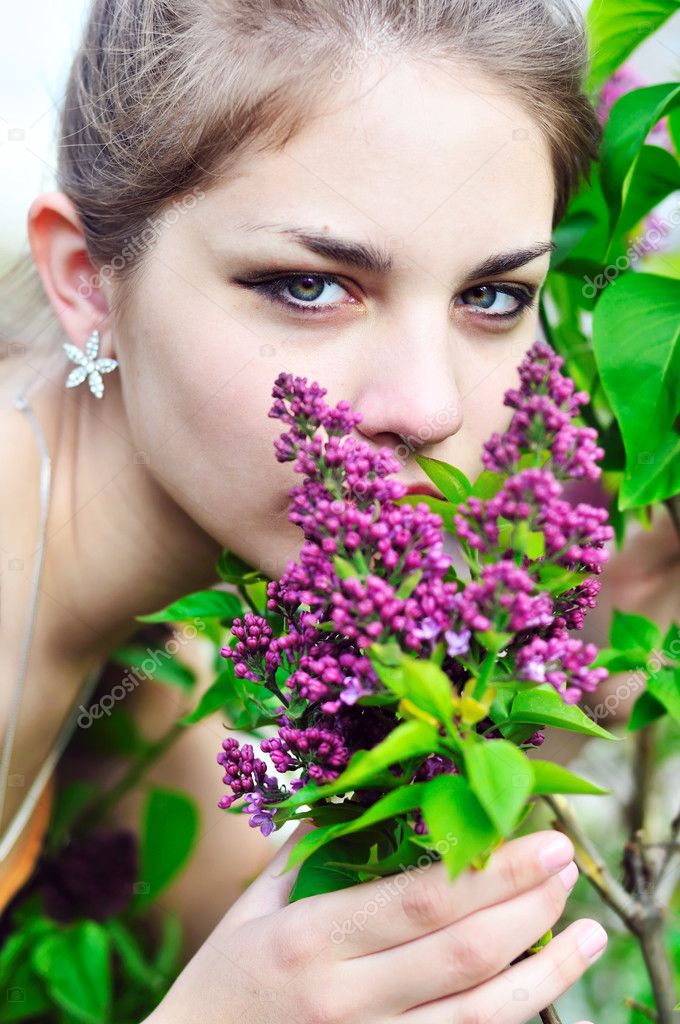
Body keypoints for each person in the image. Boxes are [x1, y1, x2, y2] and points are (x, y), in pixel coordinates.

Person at [0, 0, 614, 1020]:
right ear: (86, 280)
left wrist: (581, 659)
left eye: (492, 297)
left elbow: (317, 940)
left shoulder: (174, 655)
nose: (428, 407)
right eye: (307, 286)